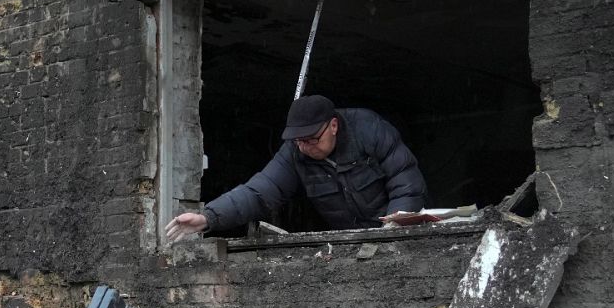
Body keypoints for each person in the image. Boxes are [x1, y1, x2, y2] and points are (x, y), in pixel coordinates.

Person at [165, 95, 427, 241]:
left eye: (312, 140)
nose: (305, 148)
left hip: (396, 234)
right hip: (352, 240)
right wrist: (208, 217)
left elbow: (406, 181)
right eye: (299, 141)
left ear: (333, 126)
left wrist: (394, 231)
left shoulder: (369, 129)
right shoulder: (295, 152)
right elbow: (259, 192)